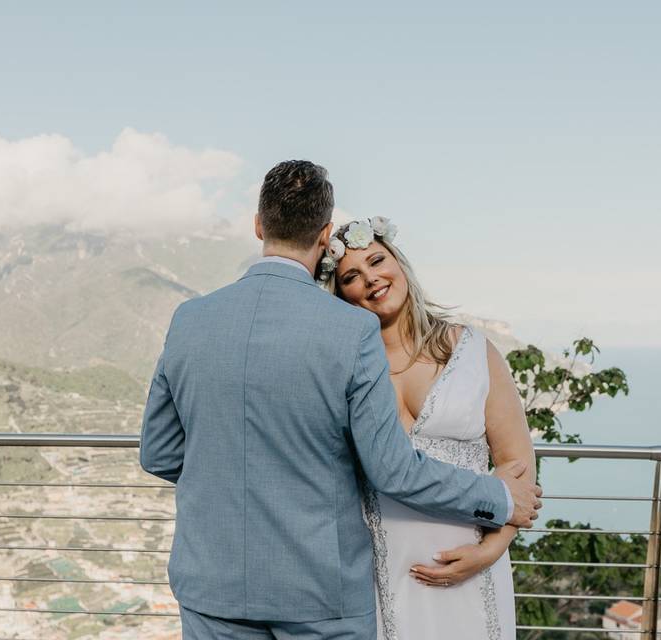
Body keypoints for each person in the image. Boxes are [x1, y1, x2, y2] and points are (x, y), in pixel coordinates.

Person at [139, 160, 542, 639]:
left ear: (258, 225)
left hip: (212, 585)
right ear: (325, 232)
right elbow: (391, 468)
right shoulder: (350, 329)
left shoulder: (190, 319)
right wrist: (498, 497)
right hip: (319, 591)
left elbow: (159, 453)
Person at [319, 217, 536, 640]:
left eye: (377, 260)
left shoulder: (472, 349)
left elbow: (518, 464)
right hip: (376, 574)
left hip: (472, 567)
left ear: (398, 261)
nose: (371, 279)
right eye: (351, 277)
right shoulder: (343, 371)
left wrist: (488, 552)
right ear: (341, 293)